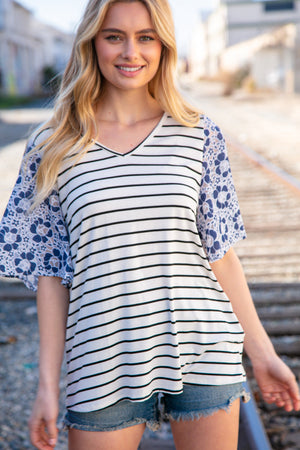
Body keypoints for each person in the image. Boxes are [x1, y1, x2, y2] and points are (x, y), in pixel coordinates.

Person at [0, 1, 299, 449]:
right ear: (92, 43)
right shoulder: (53, 144)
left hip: (204, 348)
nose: (130, 52)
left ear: (163, 46)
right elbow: (50, 273)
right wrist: (47, 384)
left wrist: (262, 353)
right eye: (114, 36)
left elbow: (220, 253)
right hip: (100, 357)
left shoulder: (198, 133)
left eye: (146, 37)